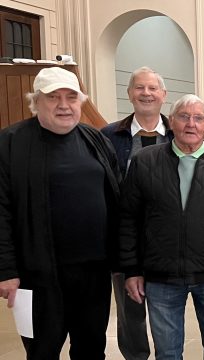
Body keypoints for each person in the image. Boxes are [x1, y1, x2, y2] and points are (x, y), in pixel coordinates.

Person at [119, 94, 204, 360]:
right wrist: (132, 270)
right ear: (171, 122)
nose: (190, 124)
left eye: (198, 118)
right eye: (183, 117)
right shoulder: (145, 162)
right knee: (168, 353)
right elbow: (128, 219)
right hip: (161, 278)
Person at [0, 67, 120, 359]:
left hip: (94, 271)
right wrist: (6, 270)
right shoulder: (10, 142)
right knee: (42, 350)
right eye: (53, 97)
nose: (64, 105)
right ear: (36, 102)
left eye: (71, 97)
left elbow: (116, 197)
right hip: (36, 274)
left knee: (91, 348)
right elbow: (0, 211)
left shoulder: (96, 140)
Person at [101, 66, 172, 360]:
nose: (146, 93)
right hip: (124, 241)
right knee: (130, 315)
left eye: (152, 88)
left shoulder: (178, 133)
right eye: (139, 88)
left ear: (163, 95)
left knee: (166, 313)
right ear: (129, 94)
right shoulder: (107, 137)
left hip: (166, 243)